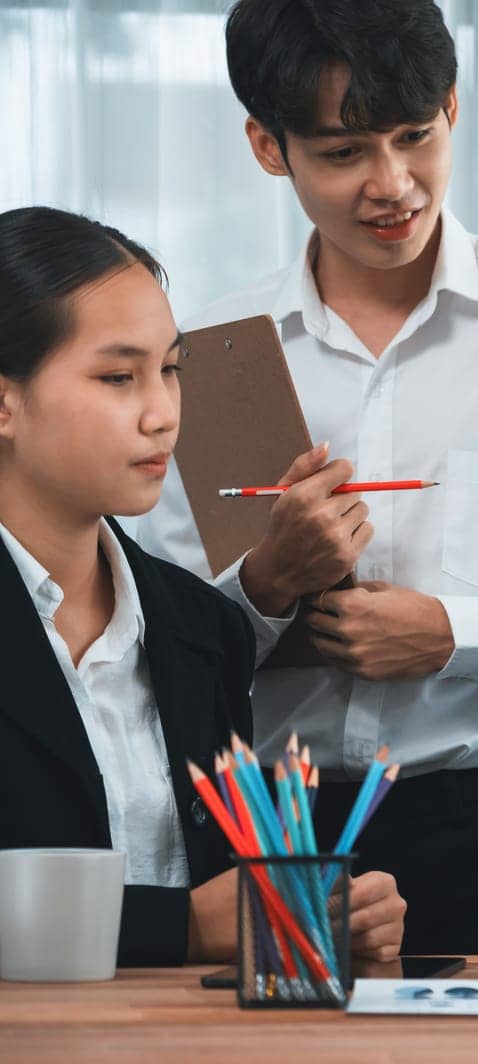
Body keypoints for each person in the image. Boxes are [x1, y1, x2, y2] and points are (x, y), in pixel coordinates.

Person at [137, 0, 478, 954]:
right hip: (278, 828)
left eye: (413, 137)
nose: (391, 184)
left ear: (454, 109)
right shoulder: (217, 356)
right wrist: (268, 585)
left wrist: (452, 633)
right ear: (270, 148)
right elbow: (160, 641)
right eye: (344, 152)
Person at [0, 206, 406, 966]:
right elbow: (202, 919)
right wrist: (183, 925)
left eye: (172, 369)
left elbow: (232, 906)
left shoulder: (200, 629)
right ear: (4, 401)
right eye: (119, 377)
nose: (163, 414)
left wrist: (311, 917)